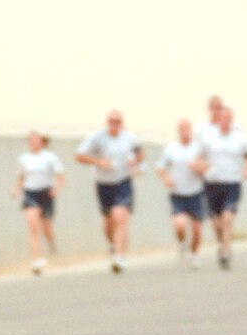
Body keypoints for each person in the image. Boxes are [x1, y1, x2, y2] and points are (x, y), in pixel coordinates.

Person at [76, 110, 143, 274]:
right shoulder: (97, 138)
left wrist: (134, 163)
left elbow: (140, 154)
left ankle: (120, 257)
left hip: (123, 182)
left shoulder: (130, 138)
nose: (115, 124)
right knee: (108, 222)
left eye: (118, 121)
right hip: (104, 184)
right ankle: (113, 245)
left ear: (122, 123)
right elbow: (79, 156)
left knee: (120, 216)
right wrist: (98, 161)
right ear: (107, 122)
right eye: (112, 121)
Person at [196, 107, 247, 270]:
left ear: (232, 120)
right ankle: (222, 244)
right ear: (218, 120)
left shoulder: (240, 139)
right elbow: (198, 159)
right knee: (217, 224)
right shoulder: (208, 138)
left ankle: (226, 253)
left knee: (228, 218)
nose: (225, 121)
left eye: (228, 118)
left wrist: (246, 169)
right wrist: (205, 168)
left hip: (232, 183)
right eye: (222, 118)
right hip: (213, 183)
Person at [156, 119, 206, 269]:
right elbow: (160, 167)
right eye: (181, 129)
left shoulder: (198, 148)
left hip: (195, 192)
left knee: (196, 228)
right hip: (177, 193)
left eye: (187, 129)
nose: (185, 132)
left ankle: (194, 254)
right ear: (178, 131)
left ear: (191, 131)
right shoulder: (171, 149)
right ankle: (182, 243)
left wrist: (196, 167)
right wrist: (166, 179)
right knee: (180, 224)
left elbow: (205, 168)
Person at [14, 132, 65, 275]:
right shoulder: (24, 158)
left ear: (42, 142)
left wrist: (56, 188)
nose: (33, 143)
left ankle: (51, 243)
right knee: (33, 226)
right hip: (30, 193)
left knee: (47, 228)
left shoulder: (50, 157)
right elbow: (21, 176)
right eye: (30, 140)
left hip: (46, 193)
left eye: (36, 140)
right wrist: (16, 189)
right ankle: (37, 259)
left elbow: (60, 176)